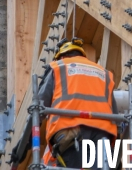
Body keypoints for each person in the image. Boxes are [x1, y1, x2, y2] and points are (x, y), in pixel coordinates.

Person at [39, 37, 118, 169]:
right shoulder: (103, 73)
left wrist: (25, 142)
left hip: (70, 131)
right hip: (102, 132)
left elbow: (40, 106)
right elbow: (115, 115)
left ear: (61, 56)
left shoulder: (58, 67)